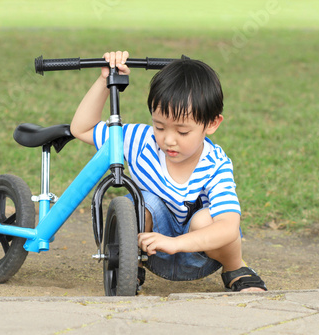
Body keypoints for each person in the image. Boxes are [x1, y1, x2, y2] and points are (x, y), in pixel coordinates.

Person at [71, 51, 267, 292]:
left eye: (182, 132)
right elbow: (82, 128)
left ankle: (235, 269)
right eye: (160, 126)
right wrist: (105, 80)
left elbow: (228, 226)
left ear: (212, 124)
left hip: (202, 254)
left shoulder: (216, 164)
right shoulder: (141, 141)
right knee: (141, 202)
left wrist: (175, 243)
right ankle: (131, 268)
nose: (168, 140)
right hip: (150, 249)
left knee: (206, 219)